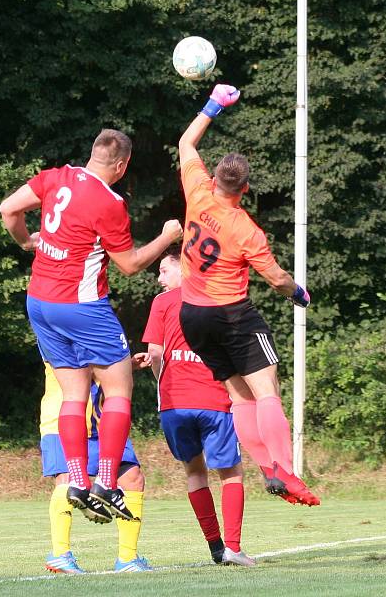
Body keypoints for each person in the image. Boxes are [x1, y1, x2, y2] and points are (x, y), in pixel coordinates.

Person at [0, 129, 182, 520]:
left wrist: (26, 243)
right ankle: (104, 482)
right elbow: (130, 265)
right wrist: (166, 237)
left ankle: (78, 482)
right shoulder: (110, 202)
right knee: (119, 390)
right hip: (81, 306)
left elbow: (8, 210)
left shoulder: (55, 177)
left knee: (73, 394)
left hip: (39, 303)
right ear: (122, 165)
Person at [175, 85, 319, 507]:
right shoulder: (245, 229)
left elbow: (186, 142)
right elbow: (276, 279)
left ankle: (268, 471)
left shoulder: (197, 191)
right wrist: (301, 294)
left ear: (215, 176)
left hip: (192, 316)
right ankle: (287, 472)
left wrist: (214, 105)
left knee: (239, 397)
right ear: (246, 187)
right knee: (267, 392)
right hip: (231, 315)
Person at [141, 246, 255, 566]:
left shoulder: (162, 303)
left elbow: (155, 352)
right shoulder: (216, 300)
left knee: (194, 473)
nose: (159, 277)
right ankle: (232, 546)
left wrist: (164, 381)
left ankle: (215, 547)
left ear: (183, 270)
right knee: (230, 474)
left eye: (164, 270)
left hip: (174, 404)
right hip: (213, 400)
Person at [41, 360, 153, 574]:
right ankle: (60, 555)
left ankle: (128, 558)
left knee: (133, 478)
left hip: (103, 422)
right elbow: (84, 369)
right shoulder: (58, 331)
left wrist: (126, 364)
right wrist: (122, 365)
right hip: (63, 419)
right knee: (67, 479)